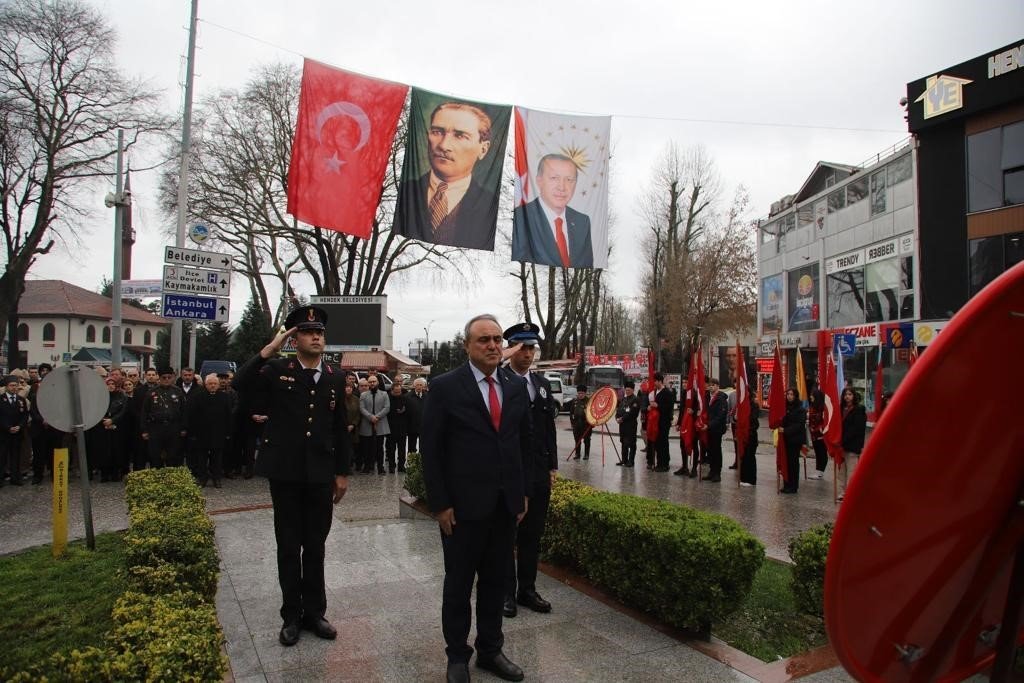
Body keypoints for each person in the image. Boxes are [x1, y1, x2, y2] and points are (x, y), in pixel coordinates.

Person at [420, 314, 531, 683]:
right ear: (467, 345)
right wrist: (440, 504)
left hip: (503, 506)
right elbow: (431, 450)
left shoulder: (515, 387)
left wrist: (521, 494)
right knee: (458, 584)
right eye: (484, 339)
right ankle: (456, 656)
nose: (493, 345)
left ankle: (490, 650)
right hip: (462, 509)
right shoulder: (446, 387)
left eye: (498, 339)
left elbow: (521, 444)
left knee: (496, 582)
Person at [232, 306, 351, 647]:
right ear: (294, 338)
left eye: (320, 332)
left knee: (315, 546)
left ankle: (315, 613)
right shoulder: (275, 370)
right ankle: (290, 616)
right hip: (284, 473)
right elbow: (239, 384)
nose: (317, 336)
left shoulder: (334, 375)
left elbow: (339, 428)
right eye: (309, 331)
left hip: (320, 474)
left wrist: (341, 472)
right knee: (289, 545)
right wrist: (269, 348)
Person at [500, 322, 558, 620]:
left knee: (532, 535)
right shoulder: (500, 381)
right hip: (511, 471)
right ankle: (506, 593)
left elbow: (548, 430)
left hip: (537, 472)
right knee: (508, 534)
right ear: (510, 348)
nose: (527, 353)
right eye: (522, 347)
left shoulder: (542, 385)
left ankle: (527, 589)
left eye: (531, 348)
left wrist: (552, 466)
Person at [394, 102, 499, 250]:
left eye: (460, 136)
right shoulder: (405, 191)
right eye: (437, 132)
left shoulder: (489, 206)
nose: (444, 145)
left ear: (483, 149)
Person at [511, 154, 594, 268]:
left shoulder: (582, 222)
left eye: (569, 180)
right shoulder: (521, 217)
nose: (562, 187)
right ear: (539, 181)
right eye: (554, 178)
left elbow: (586, 264)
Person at [185, 373, 234, 487]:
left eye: (215, 384)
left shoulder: (224, 397)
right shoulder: (198, 397)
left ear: (218, 385)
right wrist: (193, 432)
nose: (212, 386)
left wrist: (228, 432)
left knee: (217, 458)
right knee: (201, 458)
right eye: (210, 384)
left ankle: (216, 478)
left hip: (218, 432)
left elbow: (228, 415)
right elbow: (192, 416)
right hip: (202, 433)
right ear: (206, 385)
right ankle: (202, 478)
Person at [140, 368, 187, 468]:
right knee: (155, 456)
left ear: (172, 378)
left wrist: (183, 427)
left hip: (173, 427)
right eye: (164, 377)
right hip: (156, 427)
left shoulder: (178, 391)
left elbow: (184, 411)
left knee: (173, 455)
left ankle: (171, 480)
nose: (166, 379)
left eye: (169, 377)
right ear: (159, 378)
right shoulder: (151, 392)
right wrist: (144, 430)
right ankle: (157, 479)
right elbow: (144, 412)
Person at [839, 388, 867, 501]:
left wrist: (844, 439)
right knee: (841, 472)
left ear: (854, 396)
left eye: (850, 394)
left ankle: (851, 493)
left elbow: (857, 429)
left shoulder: (859, 410)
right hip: (841, 446)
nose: (847, 397)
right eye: (845, 394)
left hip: (852, 445)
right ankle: (842, 492)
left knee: (851, 471)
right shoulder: (841, 409)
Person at [358, 375, 390, 475]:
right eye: (370, 382)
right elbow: (362, 408)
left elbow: (387, 407)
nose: (372, 383)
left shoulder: (384, 394)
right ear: (368, 383)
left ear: (377, 382)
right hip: (367, 424)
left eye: (374, 381)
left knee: (379, 447)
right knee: (366, 447)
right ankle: (367, 467)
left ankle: (381, 468)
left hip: (380, 424)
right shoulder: (363, 395)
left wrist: (377, 417)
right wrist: (371, 417)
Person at [1, 375, 29, 486]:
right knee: (2, 456)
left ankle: (15, 478)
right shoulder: (1, 399)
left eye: (16, 386)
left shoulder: (21, 400)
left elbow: (25, 415)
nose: (14, 388)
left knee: (16, 456)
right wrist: (8, 427)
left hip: (17, 433)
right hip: (3, 433)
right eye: (12, 385)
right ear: (6, 387)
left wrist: (20, 426)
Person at [780, 388, 807, 494]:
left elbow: (799, 425)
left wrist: (786, 430)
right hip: (785, 439)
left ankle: (793, 486)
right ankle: (786, 484)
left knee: (793, 463)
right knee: (786, 463)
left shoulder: (800, 409)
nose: (789, 396)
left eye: (791, 394)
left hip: (794, 440)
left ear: (795, 396)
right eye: (788, 394)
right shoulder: (785, 407)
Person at [704, 378, 728, 482]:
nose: (711, 387)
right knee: (710, 451)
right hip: (708, 428)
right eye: (710, 385)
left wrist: (709, 425)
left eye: (713, 385)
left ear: (718, 386)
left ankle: (717, 473)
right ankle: (711, 471)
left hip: (717, 429)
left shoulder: (721, 399)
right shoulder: (708, 397)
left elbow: (720, 416)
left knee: (716, 450)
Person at [653, 373, 675, 471]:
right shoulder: (655, 392)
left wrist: (658, 406)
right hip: (656, 422)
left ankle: (664, 464)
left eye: (655, 381)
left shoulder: (667, 392)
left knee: (663, 443)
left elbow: (669, 407)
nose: (654, 383)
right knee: (658, 443)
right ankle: (659, 463)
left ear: (660, 381)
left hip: (664, 422)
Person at [616, 380, 640, 467]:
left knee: (631, 443)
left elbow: (632, 413)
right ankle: (624, 460)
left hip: (631, 425)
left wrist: (622, 418)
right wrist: (617, 418)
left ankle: (631, 461)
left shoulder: (635, 400)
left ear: (633, 390)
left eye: (629, 390)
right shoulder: (624, 399)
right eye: (626, 390)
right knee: (623, 442)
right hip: (622, 426)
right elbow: (618, 410)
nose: (627, 391)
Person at [385, 382, 408, 473]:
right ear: (392, 391)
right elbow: (386, 411)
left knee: (402, 449)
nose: (398, 394)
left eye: (399, 392)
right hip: (391, 427)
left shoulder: (404, 398)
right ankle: (391, 466)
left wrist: (404, 411)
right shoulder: (388, 398)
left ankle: (401, 466)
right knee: (391, 449)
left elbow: (409, 411)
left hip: (402, 428)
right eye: (396, 392)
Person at [807, 390, 828, 479]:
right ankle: (818, 470)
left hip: (820, 434)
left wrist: (819, 429)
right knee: (817, 452)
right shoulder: (812, 407)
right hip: (813, 434)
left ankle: (820, 471)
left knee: (822, 452)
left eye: (812, 395)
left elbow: (824, 421)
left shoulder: (822, 408)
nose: (810, 397)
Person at [568, 385, 591, 460]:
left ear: (585, 393)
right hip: (576, 424)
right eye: (579, 393)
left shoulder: (589, 401)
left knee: (587, 440)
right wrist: (572, 423)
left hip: (586, 425)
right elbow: (571, 413)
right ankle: (577, 454)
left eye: (582, 393)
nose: (580, 395)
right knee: (577, 440)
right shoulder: (575, 401)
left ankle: (586, 454)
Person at [406, 378, 426, 456]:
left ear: (423, 386)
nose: (419, 387)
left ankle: (422, 465)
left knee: (423, 447)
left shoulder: (427, 396)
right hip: (412, 427)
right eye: (417, 385)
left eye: (421, 385)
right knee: (411, 448)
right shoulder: (408, 397)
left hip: (423, 427)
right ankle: (411, 465)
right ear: (414, 386)